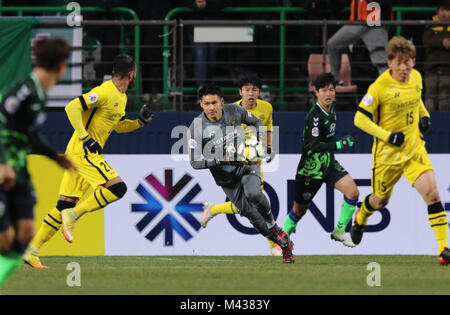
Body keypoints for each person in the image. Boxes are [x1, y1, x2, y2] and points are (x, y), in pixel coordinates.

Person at [23, 54, 155, 268]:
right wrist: (85, 137)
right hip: (83, 151)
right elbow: (72, 107)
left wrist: (140, 122)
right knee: (117, 188)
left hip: (80, 153)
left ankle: (32, 250)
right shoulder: (104, 91)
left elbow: (119, 127)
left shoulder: (121, 97)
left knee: (63, 204)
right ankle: (74, 215)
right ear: (132, 74)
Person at [352, 36, 450, 265]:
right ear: (390, 63)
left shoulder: (416, 77)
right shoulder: (379, 88)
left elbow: (416, 99)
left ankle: (444, 249)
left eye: (408, 62)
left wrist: (423, 115)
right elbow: (359, 119)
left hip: (414, 150)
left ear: (413, 62)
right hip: (387, 156)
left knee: (433, 195)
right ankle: (362, 217)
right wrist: (387, 136)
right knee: (380, 201)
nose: (404, 68)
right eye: (399, 63)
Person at [188, 83, 294, 263]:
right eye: (207, 104)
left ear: (222, 101)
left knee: (254, 192)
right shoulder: (196, 127)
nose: (211, 107)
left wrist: (261, 143)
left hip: (246, 164)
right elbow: (194, 162)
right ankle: (284, 245)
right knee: (252, 217)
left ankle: (274, 225)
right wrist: (219, 159)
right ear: (201, 105)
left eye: (214, 102)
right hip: (226, 178)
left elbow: (257, 122)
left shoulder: (235, 110)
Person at [0, 38, 76, 287]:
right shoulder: (22, 90)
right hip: (3, 167)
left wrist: (55, 158)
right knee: (3, 240)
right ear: (62, 67)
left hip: (19, 169)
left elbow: (31, 135)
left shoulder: (39, 95)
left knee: (25, 233)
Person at [281, 72, 359, 247]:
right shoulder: (315, 115)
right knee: (299, 210)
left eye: (331, 90)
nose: (329, 94)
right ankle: (282, 241)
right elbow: (314, 146)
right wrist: (339, 145)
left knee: (353, 192)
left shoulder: (331, 110)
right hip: (310, 169)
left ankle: (339, 231)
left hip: (328, 164)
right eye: (324, 90)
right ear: (317, 92)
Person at [327, 0, 391, 85]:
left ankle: (388, 88)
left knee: (381, 61)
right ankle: (336, 79)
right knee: (333, 44)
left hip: (375, 25)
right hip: (356, 23)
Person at [423, 0, 450, 111]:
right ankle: (428, 122)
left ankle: (443, 125)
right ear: (437, 12)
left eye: (448, 10)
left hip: (447, 70)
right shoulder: (431, 25)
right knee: (430, 96)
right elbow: (426, 39)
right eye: (442, 10)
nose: (444, 13)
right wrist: (442, 42)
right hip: (431, 69)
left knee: (445, 98)